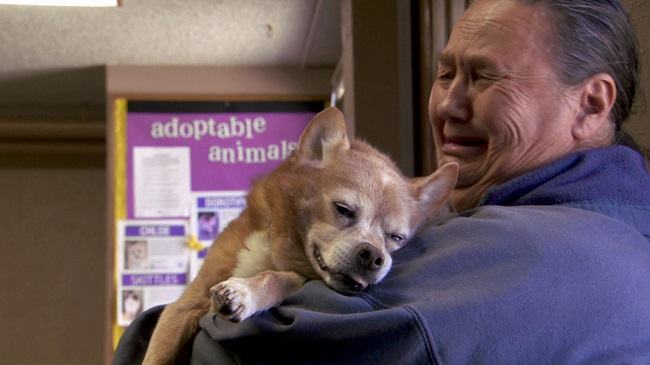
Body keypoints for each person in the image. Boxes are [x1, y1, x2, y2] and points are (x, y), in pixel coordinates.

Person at [114, 0, 650, 363]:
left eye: (484, 77)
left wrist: (169, 325)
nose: (448, 105)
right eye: (446, 75)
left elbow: (240, 351)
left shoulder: (532, 251)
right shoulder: (621, 237)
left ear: (592, 104)